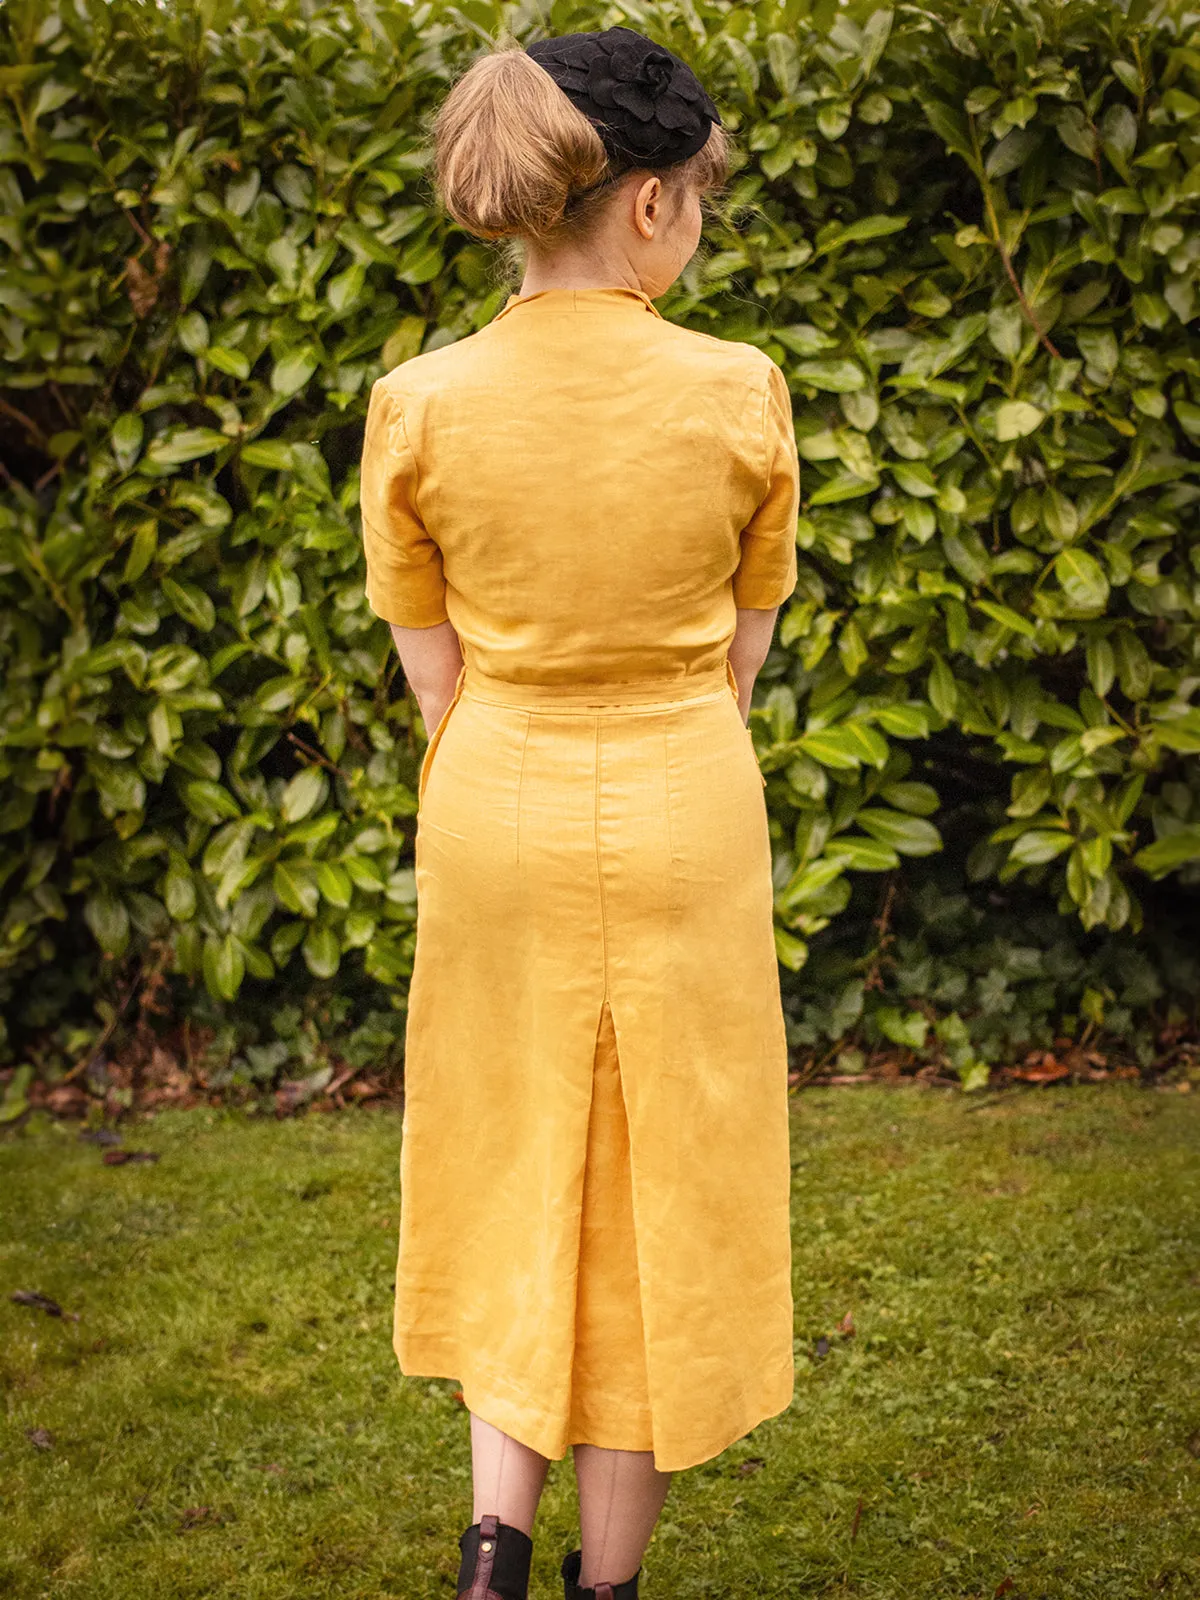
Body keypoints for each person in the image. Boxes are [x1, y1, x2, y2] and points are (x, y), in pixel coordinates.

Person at [358, 25, 800, 1600]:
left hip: (499, 804)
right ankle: (603, 1589)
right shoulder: (739, 390)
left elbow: (436, 676)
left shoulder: (416, 404)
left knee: (510, 1148)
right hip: (683, 794)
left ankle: (494, 1551)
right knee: (662, 1180)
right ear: (658, 208)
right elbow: (741, 655)